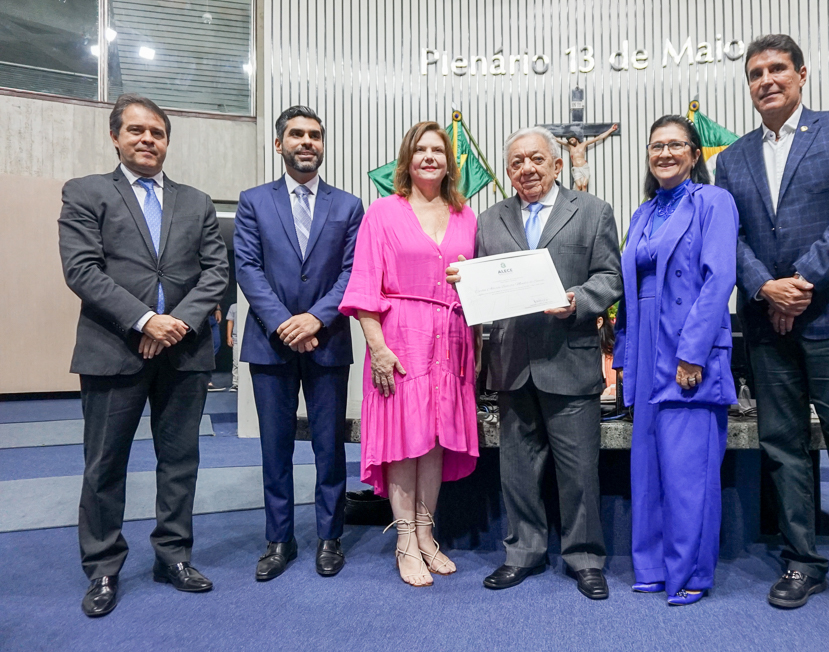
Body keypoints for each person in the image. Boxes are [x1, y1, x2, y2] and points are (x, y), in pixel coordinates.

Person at [714, 34, 829, 632]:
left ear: (802, 74)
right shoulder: (731, 158)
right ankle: (801, 561)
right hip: (768, 324)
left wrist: (802, 282)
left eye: (777, 69)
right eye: (756, 73)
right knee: (783, 449)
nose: (766, 80)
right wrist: (767, 289)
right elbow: (729, 236)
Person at [57, 94, 229, 617]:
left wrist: (173, 325)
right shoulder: (86, 193)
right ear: (116, 137)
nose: (147, 139)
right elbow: (82, 270)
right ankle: (104, 568)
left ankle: (172, 556)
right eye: (136, 130)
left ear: (167, 141)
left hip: (185, 352)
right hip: (113, 348)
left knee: (179, 463)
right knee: (104, 465)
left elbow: (216, 273)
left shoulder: (197, 201)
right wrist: (145, 319)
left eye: (156, 132)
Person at [449, 126, 622, 600]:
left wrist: (578, 299)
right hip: (510, 363)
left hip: (569, 358)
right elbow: (480, 282)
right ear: (508, 171)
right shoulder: (488, 219)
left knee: (579, 470)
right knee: (518, 470)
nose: (526, 168)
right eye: (517, 162)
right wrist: (461, 279)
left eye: (536, 160)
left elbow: (611, 276)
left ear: (557, 165)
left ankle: (584, 558)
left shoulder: (592, 212)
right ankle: (522, 552)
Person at [340, 121, 479, 587]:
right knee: (404, 440)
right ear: (407, 158)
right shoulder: (383, 212)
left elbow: (478, 283)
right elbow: (363, 286)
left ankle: (425, 534)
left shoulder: (466, 215)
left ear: (449, 161)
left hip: (451, 338)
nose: (429, 157)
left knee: (435, 439)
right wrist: (376, 347)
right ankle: (403, 540)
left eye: (438, 150)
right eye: (420, 149)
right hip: (399, 338)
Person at [234, 106, 363, 582]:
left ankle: (330, 538)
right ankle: (279, 539)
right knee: (276, 447)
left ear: (323, 145)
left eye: (314, 135)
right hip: (270, 344)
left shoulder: (348, 206)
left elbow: (352, 271)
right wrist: (285, 322)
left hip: (327, 341)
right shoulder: (252, 201)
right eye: (296, 134)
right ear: (278, 144)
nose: (306, 142)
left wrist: (314, 318)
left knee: (329, 448)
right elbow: (246, 267)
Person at [613, 115, 738, 605]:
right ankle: (651, 565)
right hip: (644, 345)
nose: (664, 154)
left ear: (694, 153)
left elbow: (720, 277)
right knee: (647, 467)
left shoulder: (713, 202)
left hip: (688, 344)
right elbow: (629, 289)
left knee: (688, 471)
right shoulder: (643, 213)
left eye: (675, 145)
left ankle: (690, 573)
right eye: (656, 146)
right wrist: (624, 355)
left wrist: (693, 352)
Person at [555, 124, 618, 191]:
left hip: (584, 167)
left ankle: (584, 200)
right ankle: (577, 200)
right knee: (578, 186)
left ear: (576, 138)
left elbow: (599, 138)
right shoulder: (570, 146)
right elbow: (558, 140)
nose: (571, 141)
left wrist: (611, 130)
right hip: (576, 168)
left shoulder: (583, 144)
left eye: (572, 139)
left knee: (584, 185)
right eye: (570, 140)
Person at [226, 302, 239, 391]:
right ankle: (236, 383)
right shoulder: (234, 306)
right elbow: (230, 321)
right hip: (236, 338)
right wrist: (229, 336)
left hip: (247, 337)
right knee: (236, 362)